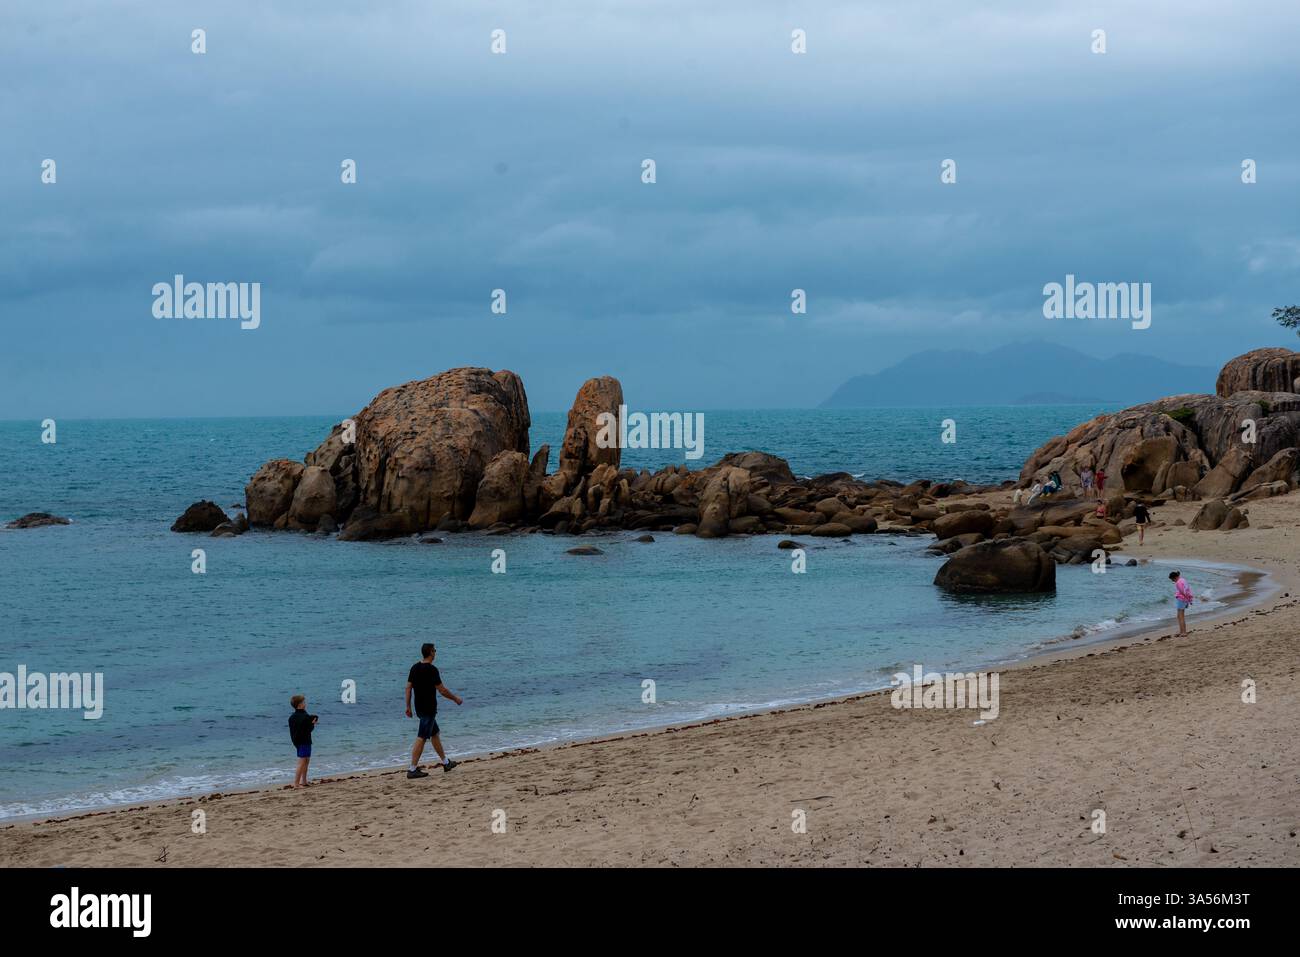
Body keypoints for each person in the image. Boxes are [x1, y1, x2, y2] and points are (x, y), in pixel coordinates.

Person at [405, 643, 463, 778]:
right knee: (422, 737)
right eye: (434, 650)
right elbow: (442, 690)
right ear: (431, 652)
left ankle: (446, 763)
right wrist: (455, 699)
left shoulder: (414, 668)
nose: (435, 653)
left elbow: (408, 688)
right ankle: (412, 769)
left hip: (419, 708)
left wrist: (408, 707)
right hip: (428, 709)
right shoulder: (432, 670)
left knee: (435, 734)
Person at [288, 694, 318, 788]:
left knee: (306, 760)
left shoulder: (292, 717)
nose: (305, 703)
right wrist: (313, 724)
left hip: (297, 741)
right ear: (300, 705)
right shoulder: (304, 716)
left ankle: (304, 781)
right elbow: (308, 729)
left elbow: (293, 730)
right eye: (303, 702)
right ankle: (296, 783)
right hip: (304, 741)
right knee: (302, 761)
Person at [1170, 570, 1194, 636]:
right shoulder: (1183, 580)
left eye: (1172, 579)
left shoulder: (1178, 582)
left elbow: (1184, 592)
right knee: (1179, 616)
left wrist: (1189, 601)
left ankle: (1183, 632)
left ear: (1174, 577)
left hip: (1181, 600)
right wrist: (1189, 600)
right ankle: (1182, 631)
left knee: (1181, 616)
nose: (1172, 581)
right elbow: (1187, 590)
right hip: (1184, 600)